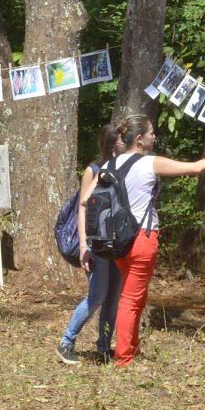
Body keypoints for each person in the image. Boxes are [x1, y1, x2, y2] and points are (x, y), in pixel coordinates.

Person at [111, 115, 205, 366]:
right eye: (151, 133)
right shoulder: (149, 163)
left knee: (135, 295)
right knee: (131, 298)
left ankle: (131, 348)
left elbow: (88, 198)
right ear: (139, 139)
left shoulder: (112, 165)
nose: (154, 137)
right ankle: (124, 357)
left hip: (117, 239)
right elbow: (194, 168)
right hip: (141, 238)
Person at [56, 123, 125, 365]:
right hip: (97, 244)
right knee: (97, 295)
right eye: (122, 139)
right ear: (113, 143)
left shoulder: (124, 168)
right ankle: (66, 341)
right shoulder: (93, 170)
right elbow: (81, 210)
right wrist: (84, 246)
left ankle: (104, 347)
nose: (126, 143)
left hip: (118, 244)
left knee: (112, 297)